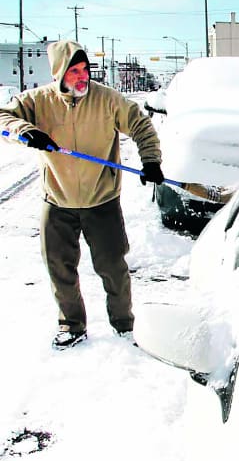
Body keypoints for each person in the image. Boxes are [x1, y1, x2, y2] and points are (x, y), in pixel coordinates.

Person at [0, 39, 165, 350]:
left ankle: (123, 323)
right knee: (59, 267)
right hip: (57, 201)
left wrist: (151, 160)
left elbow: (141, 125)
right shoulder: (39, 100)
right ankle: (71, 325)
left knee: (113, 267)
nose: (82, 76)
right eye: (74, 70)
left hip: (101, 200)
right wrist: (25, 131)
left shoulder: (107, 100)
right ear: (59, 73)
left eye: (85, 69)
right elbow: (3, 117)